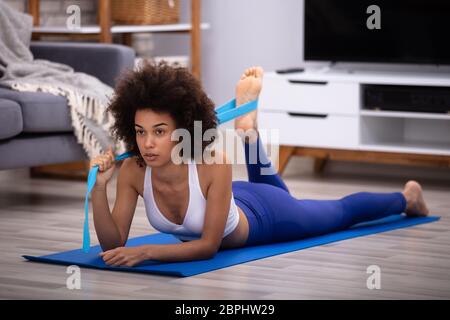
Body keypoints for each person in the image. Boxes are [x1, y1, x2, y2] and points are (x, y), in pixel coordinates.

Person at [90, 63, 429, 267]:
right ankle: (248, 131)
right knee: (268, 184)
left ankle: (407, 198)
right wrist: (99, 188)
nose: (147, 143)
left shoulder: (212, 163)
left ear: (182, 129)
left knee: (339, 214)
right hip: (233, 198)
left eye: (159, 132)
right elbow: (112, 244)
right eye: (140, 132)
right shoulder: (134, 170)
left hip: (268, 216)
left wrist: (147, 252)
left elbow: (209, 247)